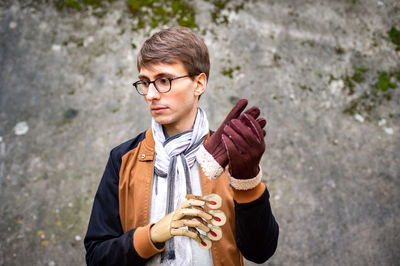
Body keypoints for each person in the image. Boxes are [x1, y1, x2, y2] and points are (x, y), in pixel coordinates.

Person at [84, 27, 279, 266]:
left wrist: (247, 181)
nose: (151, 95)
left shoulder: (231, 155)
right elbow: (96, 257)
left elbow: (260, 252)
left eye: (164, 80)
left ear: (199, 83)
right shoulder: (123, 158)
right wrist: (154, 234)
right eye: (145, 83)